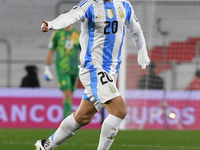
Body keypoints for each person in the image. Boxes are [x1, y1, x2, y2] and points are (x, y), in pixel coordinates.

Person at [35, 0, 150, 150]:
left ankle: (46, 145)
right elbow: (71, 16)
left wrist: (142, 50)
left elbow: (136, 29)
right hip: (93, 69)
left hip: (111, 71)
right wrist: (52, 24)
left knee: (82, 117)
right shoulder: (89, 5)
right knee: (120, 110)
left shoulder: (124, 5)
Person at [44, 23, 81, 118]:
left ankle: (68, 118)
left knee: (70, 94)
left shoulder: (77, 34)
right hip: (62, 69)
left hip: (74, 69)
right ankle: (67, 119)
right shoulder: (57, 34)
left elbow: (84, 51)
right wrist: (47, 68)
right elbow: (51, 51)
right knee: (67, 93)